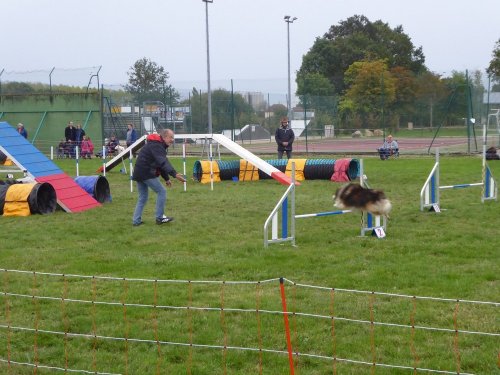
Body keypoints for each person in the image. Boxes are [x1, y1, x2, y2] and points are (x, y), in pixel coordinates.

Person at [132, 128, 186, 226]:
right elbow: (163, 161)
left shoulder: (156, 144)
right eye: (171, 137)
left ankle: (136, 221)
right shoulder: (157, 146)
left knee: (142, 197)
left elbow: (159, 164)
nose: (172, 140)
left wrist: (167, 178)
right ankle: (160, 217)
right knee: (162, 191)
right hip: (146, 172)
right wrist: (174, 174)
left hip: (139, 172)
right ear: (164, 137)